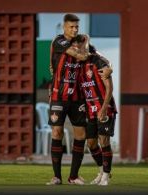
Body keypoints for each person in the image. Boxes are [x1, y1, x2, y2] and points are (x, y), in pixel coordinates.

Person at [46, 13, 112, 185]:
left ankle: (73, 176)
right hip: (58, 96)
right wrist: (86, 41)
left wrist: (109, 67)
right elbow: (82, 56)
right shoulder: (59, 41)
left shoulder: (83, 42)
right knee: (57, 132)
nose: (74, 29)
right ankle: (56, 177)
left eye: (77, 26)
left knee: (81, 136)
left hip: (77, 98)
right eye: (71, 26)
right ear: (64, 27)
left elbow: (100, 57)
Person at [78, 42, 117, 186]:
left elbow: (109, 87)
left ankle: (106, 176)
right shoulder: (77, 66)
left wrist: (104, 108)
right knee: (91, 143)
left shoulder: (97, 61)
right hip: (90, 109)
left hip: (104, 108)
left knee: (104, 141)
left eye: (82, 49)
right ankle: (102, 171)